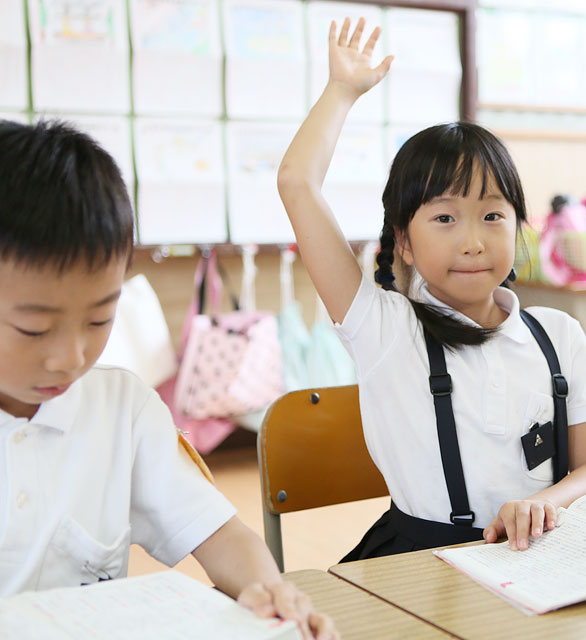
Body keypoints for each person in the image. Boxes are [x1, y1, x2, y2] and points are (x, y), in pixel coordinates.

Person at [278, 18, 586, 559]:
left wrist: (545, 503)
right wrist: (341, 91)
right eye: (444, 218)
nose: (473, 242)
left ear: (518, 226)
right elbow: (298, 184)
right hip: (421, 564)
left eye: (491, 215)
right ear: (404, 242)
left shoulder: (560, 336)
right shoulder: (385, 329)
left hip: (539, 556)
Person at [0, 120, 337, 640]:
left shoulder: (123, 409)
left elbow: (221, 535)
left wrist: (270, 591)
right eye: (35, 329)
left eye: (98, 320)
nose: (70, 357)